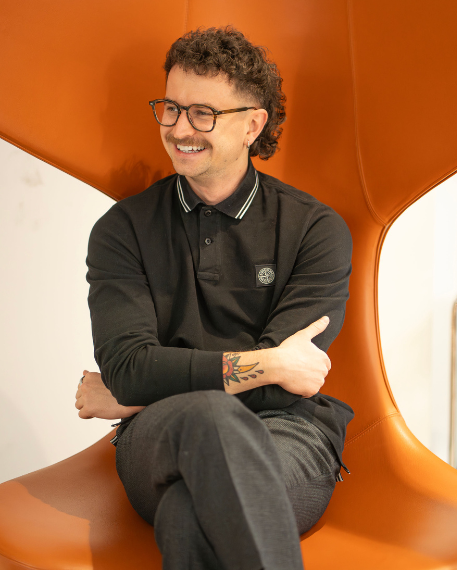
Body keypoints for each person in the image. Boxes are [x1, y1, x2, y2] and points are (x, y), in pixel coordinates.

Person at [75, 26, 354, 570]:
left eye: (203, 113)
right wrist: (270, 363)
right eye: (171, 109)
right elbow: (129, 368)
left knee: (188, 513)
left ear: (253, 125)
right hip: (163, 436)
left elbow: (283, 391)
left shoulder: (315, 229)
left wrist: (135, 395)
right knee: (206, 417)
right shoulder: (121, 230)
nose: (180, 129)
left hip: (288, 435)